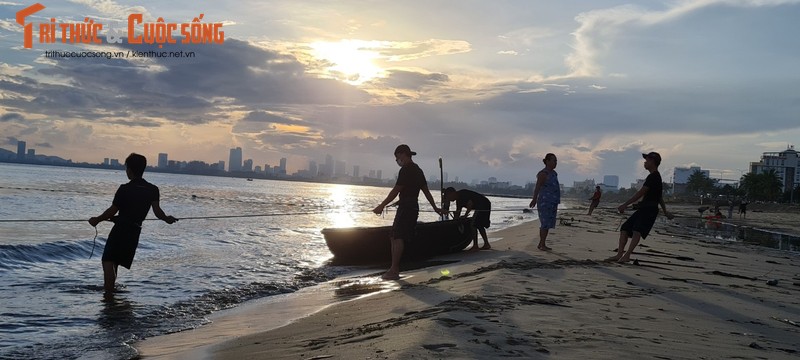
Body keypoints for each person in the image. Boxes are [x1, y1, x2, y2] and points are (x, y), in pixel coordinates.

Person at [89, 153, 178, 296]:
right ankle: (112, 297)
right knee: (115, 262)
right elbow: (157, 212)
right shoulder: (152, 189)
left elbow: (112, 211)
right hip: (134, 231)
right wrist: (167, 219)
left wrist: (96, 220)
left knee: (107, 261)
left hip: (120, 230)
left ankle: (109, 296)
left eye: (126, 169)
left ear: (129, 170)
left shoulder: (124, 188)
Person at [373, 144, 441, 280]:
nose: (397, 161)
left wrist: (382, 205)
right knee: (393, 235)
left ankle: (394, 270)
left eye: (397, 157)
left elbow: (396, 189)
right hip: (411, 205)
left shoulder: (406, 169)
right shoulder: (418, 170)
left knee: (398, 236)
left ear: (403, 154)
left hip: (407, 207)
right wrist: (435, 208)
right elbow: (426, 192)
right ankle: (394, 268)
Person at [607, 152, 673, 263]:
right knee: (625, 228)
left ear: (652, 161)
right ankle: (619, 254)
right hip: (644, 208)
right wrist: (665, 212)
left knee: (637, 231)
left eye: (647, 160)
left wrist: (624, 205)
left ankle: (627, 255)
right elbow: (659, 197)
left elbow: (641, 193)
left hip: (649, 210)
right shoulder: (654, 176)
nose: (645, 162)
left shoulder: (654, 176)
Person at [444, 187, 491, 251]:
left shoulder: (462, 193)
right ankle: (486, 244)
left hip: (483, 204)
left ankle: (475, 246)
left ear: (452, 193)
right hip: (481, 205)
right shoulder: (458, 201)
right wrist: (454, 219)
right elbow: (458, 212)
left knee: (473, 224)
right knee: (479, 225)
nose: (449, 199)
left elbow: (470, 204)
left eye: (449, 197)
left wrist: (465, 215)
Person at [529, 153, 560, 251]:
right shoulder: (543, 174)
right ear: (547, 161)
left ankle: (542, 243)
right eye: (553, 160)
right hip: (544, 202)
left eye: (556, 161)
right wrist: (534, 199)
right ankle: (542, 244)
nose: (555, 163)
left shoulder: (554, 173)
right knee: (544, 223)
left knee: (549, 224)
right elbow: (537, 187)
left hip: (553, 202)